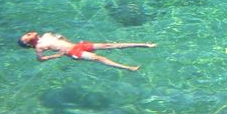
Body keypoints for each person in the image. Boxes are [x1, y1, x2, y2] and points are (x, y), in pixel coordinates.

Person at [18, 31, 156, 71]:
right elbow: (40, 59)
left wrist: (66, 40)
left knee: (107, 46)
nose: (29, 33)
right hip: (73, 53)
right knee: (98, 58)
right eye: (27, 36)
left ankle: (143, 44)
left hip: (78, 46)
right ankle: (128, 68)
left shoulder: (47, 34)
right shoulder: (39, 47)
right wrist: (57, 56)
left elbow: (61, 38)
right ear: (28, 42)